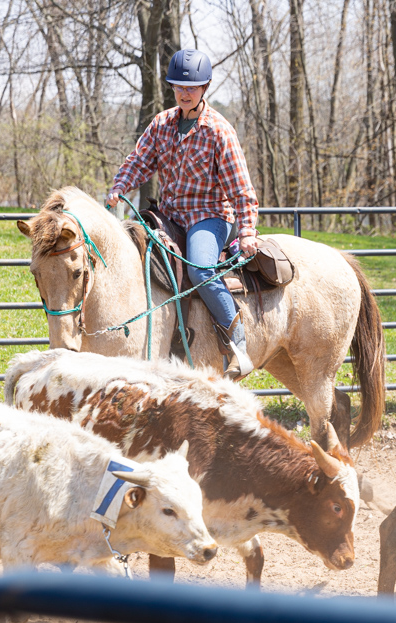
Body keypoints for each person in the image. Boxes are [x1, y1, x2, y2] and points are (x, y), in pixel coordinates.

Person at [107, 48, 259, 381]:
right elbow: (139, 162)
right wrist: (119, 187)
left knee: (201, 268)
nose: (184, 93)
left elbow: (241, 188)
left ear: (205, 88)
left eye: (191, 87)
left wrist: (247, 229)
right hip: (171, 214)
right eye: (178, 87)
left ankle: (236, 340)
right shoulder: (161, 123)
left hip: (210, 216)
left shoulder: (219, 131)